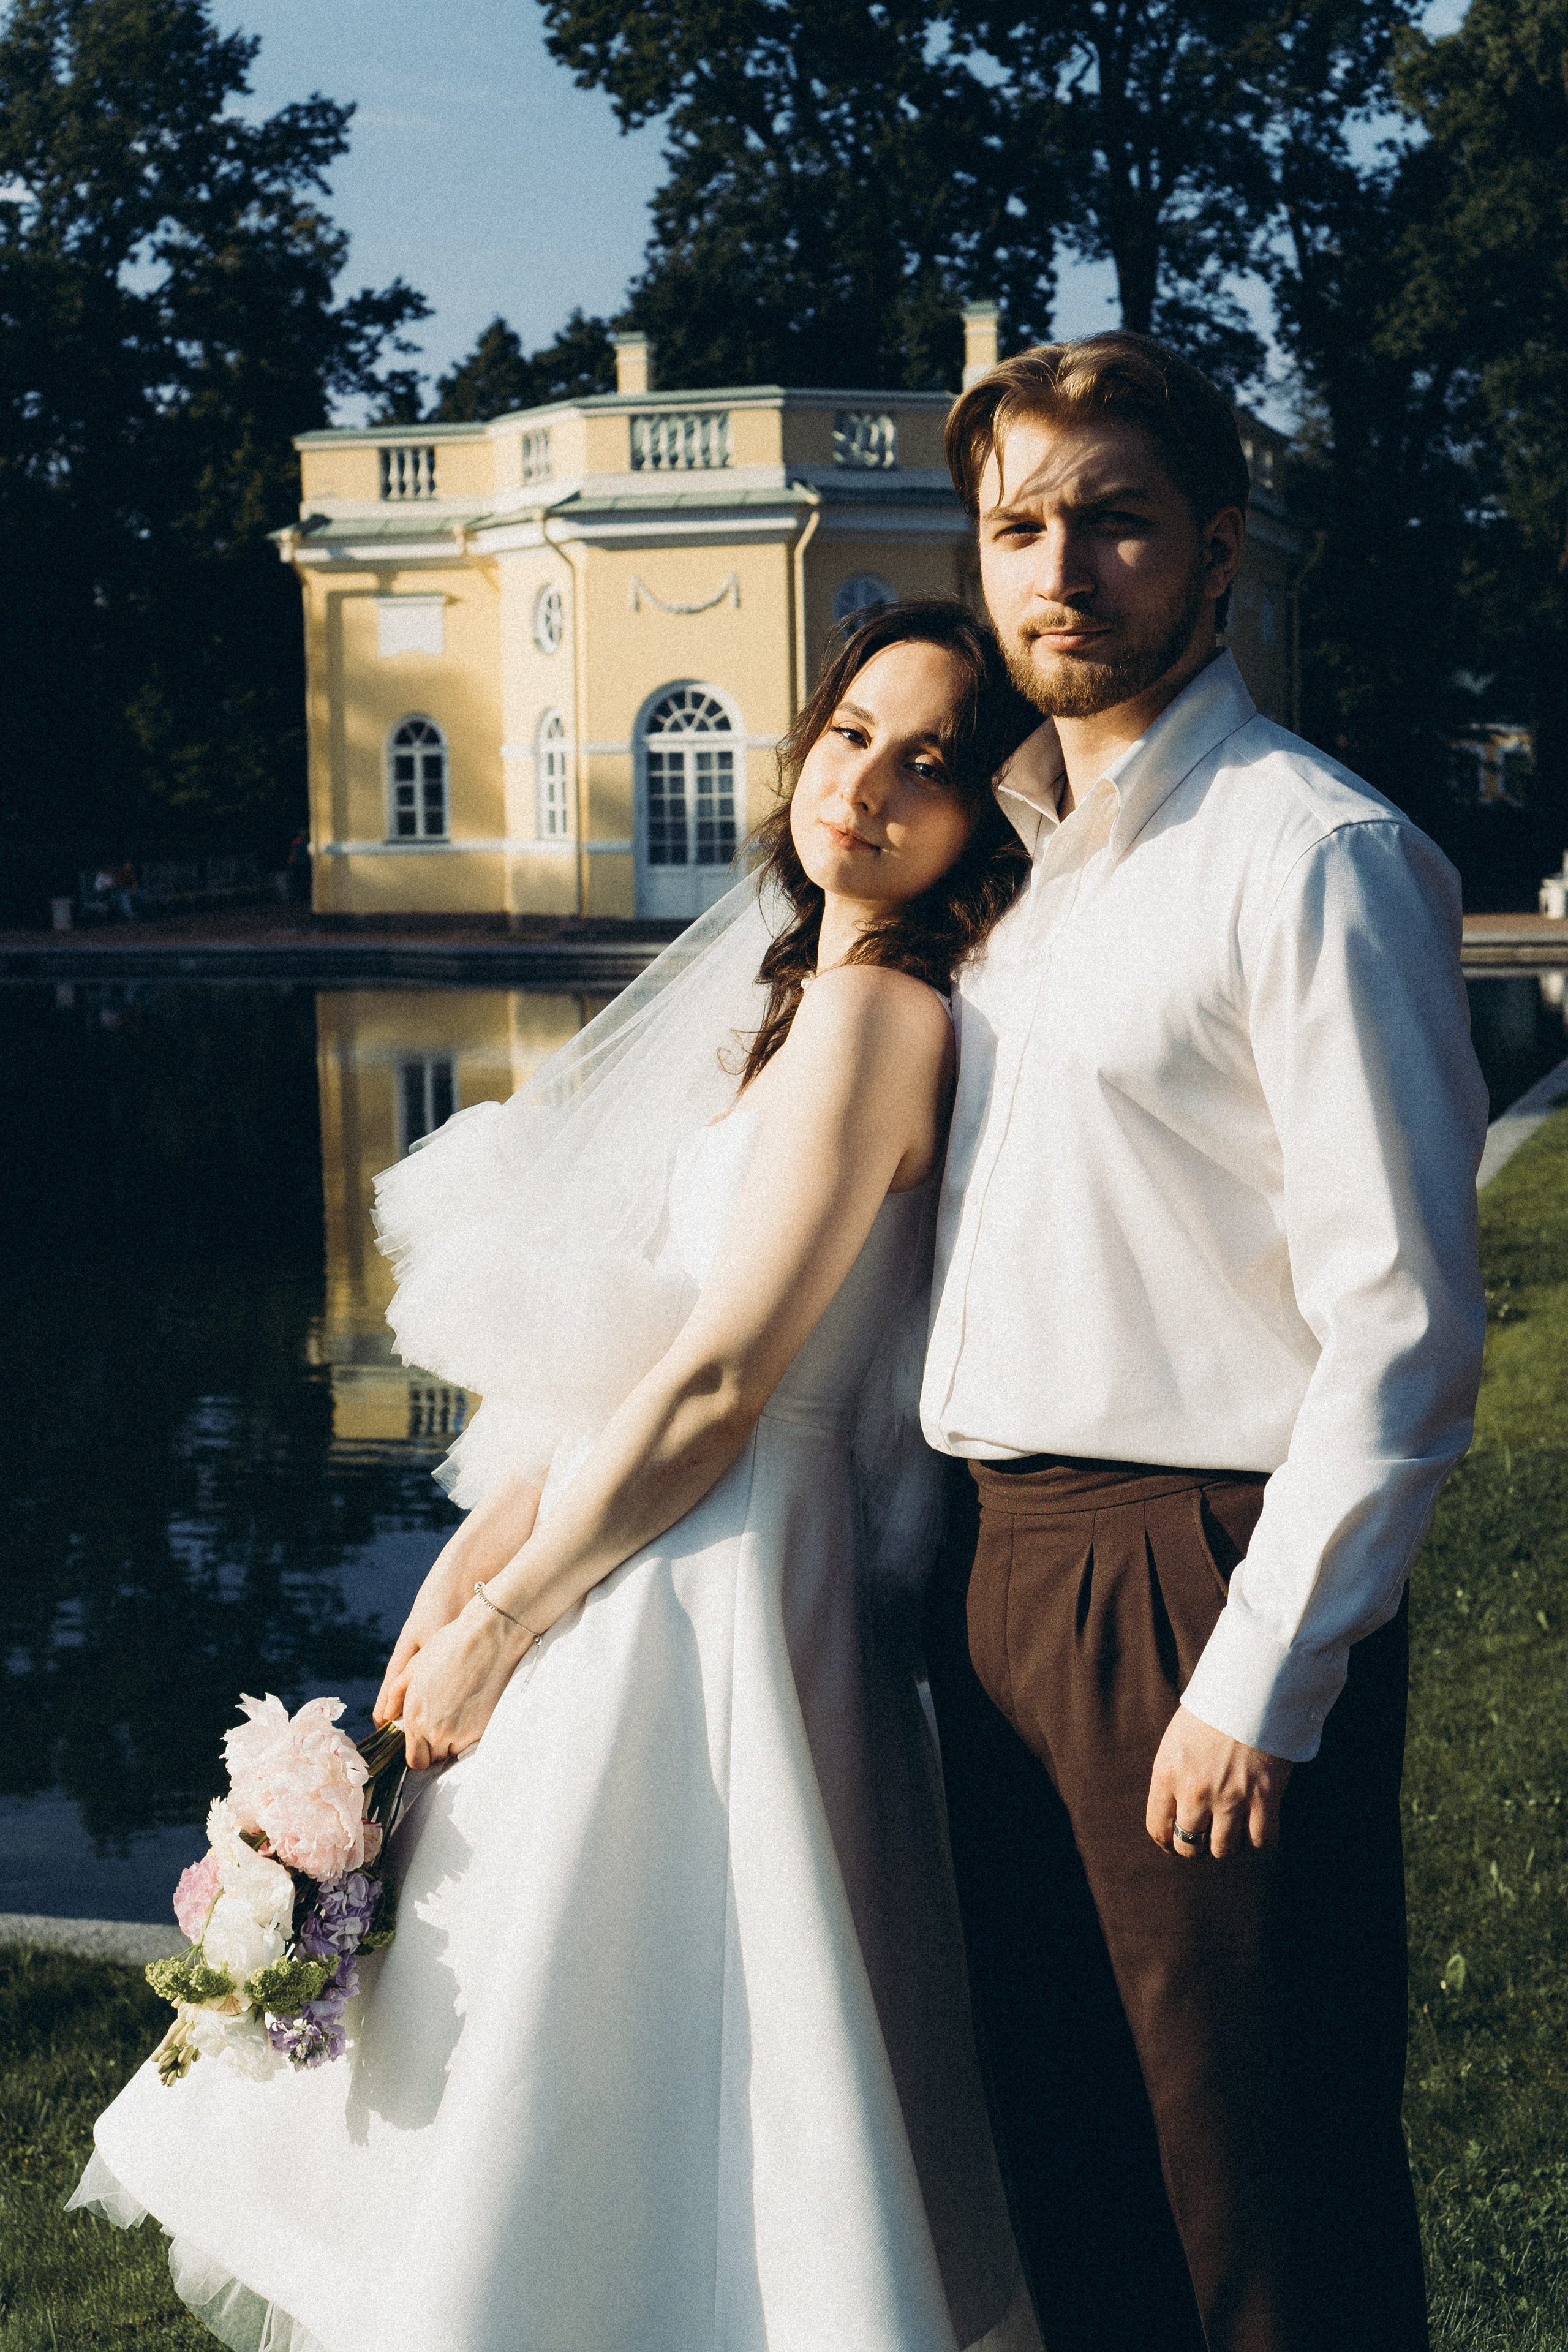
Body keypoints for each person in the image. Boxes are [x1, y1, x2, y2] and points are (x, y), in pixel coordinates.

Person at [72, 600, 1044, 2352]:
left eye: (932, 764)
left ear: (982, 819)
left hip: (721, 1571)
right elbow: (638, 1355)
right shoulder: (804, 1006)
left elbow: (728, 1383)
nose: (871, 785)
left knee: (652, 2028)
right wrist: (470, 1573)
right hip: (649, 1532)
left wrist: (509, 1617)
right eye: (851, 735)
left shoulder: (879, 1017)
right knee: (564, 2017)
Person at [920, 331, 1488, 2352]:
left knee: (1258, 2193)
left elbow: (1404, 1322)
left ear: (1220, 550)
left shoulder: (1311, 857)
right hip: (998, 1570)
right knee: (1073, 2175)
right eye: (1019, 529)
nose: (1062, 570)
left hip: (1191, 1573)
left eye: (1118, 522)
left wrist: (1259, 1671)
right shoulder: (1018, 871)